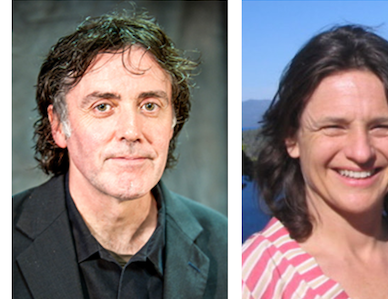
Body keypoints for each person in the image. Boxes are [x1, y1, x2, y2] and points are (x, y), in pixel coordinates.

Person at [12, 8, 227, 299]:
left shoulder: (225, 244)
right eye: (103, 106)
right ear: (59, 126)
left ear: (174, 123)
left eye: (150, 105)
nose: (131, 130)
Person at [242, 25, 388, 298]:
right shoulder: (254, 281)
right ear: (291, 139)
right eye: (334, 126)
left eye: (382, 126)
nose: (361, 152)